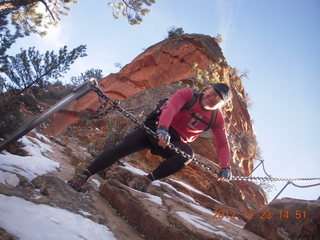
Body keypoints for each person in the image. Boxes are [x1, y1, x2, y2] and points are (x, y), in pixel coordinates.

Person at [67, 83, 233, 192]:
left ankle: (146, 180)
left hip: (175, 142)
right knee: (120, 149)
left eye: (218, 100)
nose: (212, 99)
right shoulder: (189, 95)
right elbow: (171, 107)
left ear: (221, 105)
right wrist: (162, 128)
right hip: (155, 128)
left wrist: (226, 166)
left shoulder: (216, 119)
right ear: (208, 89)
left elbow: (222, 144)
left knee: (187, 155)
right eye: (212, 93)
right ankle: (83, 175)